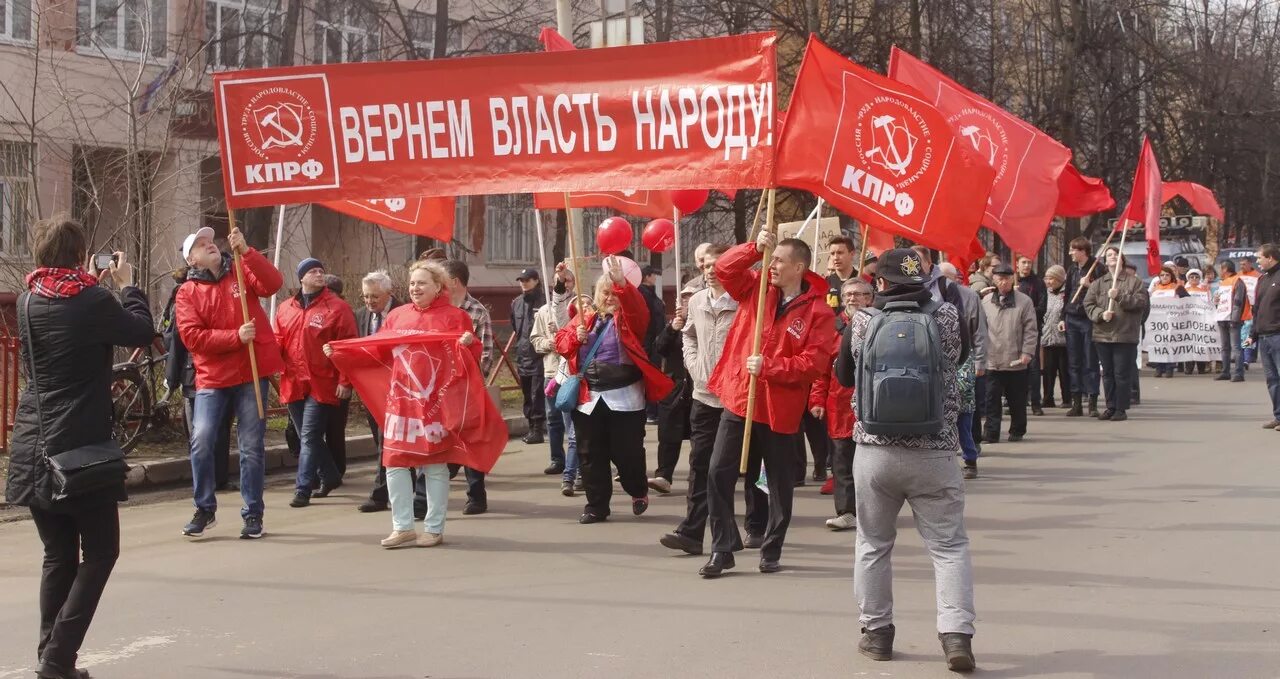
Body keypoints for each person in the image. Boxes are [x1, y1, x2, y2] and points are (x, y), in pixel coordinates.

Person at [6, 219, 155, 679]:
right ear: (80, 255)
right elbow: (140, 331)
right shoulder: (91, 299)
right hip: (79, 447)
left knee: (59, 555)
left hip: (33, 443)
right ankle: (56, 659)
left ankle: (51, 655)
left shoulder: (29, 298)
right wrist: (128, 286)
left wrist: (95, 283)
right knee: (102, 552)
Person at [848, 248, 975, 672]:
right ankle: (956, 636)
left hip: (875, 450)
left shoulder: (863, 320)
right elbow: (956, 361)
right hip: (935, 448)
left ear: (880, 283)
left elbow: (844, 374)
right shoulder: (946, 318)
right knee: (949, 546)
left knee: (873, 544)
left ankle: (877, 634)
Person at [699, 232, 835, 577]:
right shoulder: (757, 287)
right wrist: (754, 248)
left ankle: (771, 547)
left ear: (799, 267)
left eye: (778, 260)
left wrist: (772, 368)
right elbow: (726, 269)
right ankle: (722, 546)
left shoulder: (818, 310)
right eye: (770, 259)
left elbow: (815, 362)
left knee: (776, 483)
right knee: (717, 472)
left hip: (780, 409)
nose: (771, 265)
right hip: (741, 399)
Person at [341, 260, 479, 548]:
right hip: (401, 402)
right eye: (413, 283)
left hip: (435, 402)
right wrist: (343, 355)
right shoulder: (397, 316)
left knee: (435, 466)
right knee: (394, 463)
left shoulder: (455, 317)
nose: (415, 288)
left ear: (438, 286)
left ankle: (433, 527)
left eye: (422, 283)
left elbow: (471, 357)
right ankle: (402, 526)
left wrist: (469, 344)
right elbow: (376, 350)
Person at [176, 226, 284, 539]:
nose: (210, 245)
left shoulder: (239, 268)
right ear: (192, 260)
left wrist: (249, 252)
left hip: (250, 374)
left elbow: (272, 284)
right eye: (201, 244)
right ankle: (204, 507)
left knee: (251, 446)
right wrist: (235, 337)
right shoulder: (187, 293)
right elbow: (193, 337)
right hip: (212, 378)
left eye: (211, 241)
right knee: (203, 438)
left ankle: (253, 514)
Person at [660, 245, 763, 555]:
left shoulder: (747, 301)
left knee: (749, 466)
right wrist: (694, 364)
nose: (708, 270)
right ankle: (692, 531)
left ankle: (756, 526)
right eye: (704, 264)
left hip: (740, 397)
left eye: (715, 264)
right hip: (704, 395)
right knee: (702, 464)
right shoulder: (698, 302)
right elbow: (688, 336)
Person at [556, 258, 673, 524]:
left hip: (624, 397)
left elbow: (637, 308)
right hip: (588, 398)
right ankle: (597, 506)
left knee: (627, 451)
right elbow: (561, 343)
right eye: (605, 292)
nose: (609, 297)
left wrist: (621, 283)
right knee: (589, 453)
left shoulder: (631, 319)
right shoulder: (585, 318)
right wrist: (577, 336)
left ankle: (637, 489)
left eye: (614, 292)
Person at [275, 257, 357, 509]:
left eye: (322, 270)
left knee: (309, 435)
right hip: (293, 381)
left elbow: (347, 345)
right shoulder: (286, 308)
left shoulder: (337, 308)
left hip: (322, 382)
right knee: (305, 434)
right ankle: (330, 475)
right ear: (301, 278)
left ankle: (303, 488)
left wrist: (345, 381)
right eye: (313, 271)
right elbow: (278, 340)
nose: (319, 275)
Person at [352, 271, 421, 515]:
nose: (369, 302)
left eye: (374, 297)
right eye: (365, 297)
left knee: (387, 439)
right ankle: (404, 483)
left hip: (401, 387)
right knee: (380, 438)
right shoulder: (360, 315)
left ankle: (381, 494)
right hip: (373, 388)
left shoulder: (404, 313)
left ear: (388, 294)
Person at [163, 265, 234, 491]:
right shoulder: (184, 297)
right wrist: (173, 377)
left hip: (198, 375)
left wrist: (171, 379)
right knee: (213, 430)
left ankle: (209, 481)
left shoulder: (199, 296)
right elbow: (177, 338)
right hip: (197, 374)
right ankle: (213, 479)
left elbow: (175, 341)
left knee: (201, 431)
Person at [442, 259, 497, 514]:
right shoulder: (438, 309)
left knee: (471, 443)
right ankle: (429, 496)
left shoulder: (476, 311)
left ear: (454, 282)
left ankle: (476, 496)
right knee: (442, 442)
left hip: (466, 390)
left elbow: (485, 354)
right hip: (440, 390)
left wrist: (471, 383)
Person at [819, 277, 873, 530]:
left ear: (870, 298)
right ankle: (846, 511)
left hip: (871, 404)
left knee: (871, 463)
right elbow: (821, 370)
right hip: (839, 405)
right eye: (848, 294)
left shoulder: (878, 323)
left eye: (858, 294)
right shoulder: (832, 327)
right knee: (842, 462)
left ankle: (873, 510)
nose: (852, 298)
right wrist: (816, 399)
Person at [1084, 248, 1149, 421]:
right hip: (1102, 335)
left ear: (1122, 260)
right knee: (1107, 373)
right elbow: (1088, 304)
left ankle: (1121, 408)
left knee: (1121, 373)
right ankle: (1110, 406)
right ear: (1106, 261)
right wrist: (1100, 314)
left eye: (1116, 255)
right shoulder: (1098, 283)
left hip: (1124, 335)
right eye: (1109, 255)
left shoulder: (1134, 282)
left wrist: (1119, 296)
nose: (1112, 257)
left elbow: (1140, 303)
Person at [531, 263, 580, 493]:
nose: (567, 285)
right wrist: (550, 342)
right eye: (563, 281)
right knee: (554, 419)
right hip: (553, 371)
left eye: (570, 281)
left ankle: (575, 471)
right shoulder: (544, 311)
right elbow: (535, 340)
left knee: (574, 427)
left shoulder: (582, 305)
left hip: (574, 374)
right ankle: (557, 459)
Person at [981, 264, 1038, 443]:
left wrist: (1027, 352)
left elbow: (1031, 329)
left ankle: (1017, 430)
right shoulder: (986, 301)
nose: (1003, 282)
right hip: (992, 360)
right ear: (994, 280)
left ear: (1013, 279)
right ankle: (991, 433)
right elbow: (980, 329)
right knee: (991, 400)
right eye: (999, 278)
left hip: (1016, 360)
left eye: (1007, 278)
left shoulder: (1024, 301)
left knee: (1017, 400)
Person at [939, 262, 986, 479]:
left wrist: (979, 363)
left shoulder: (969, 297)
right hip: (944, 397)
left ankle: (971, 459)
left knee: (965, 430)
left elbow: (979, 333)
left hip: (963, 399)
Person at [649, 284, 693, 494]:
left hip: (699, 387)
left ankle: (700, 477)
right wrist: (671, 329)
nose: (685, 303)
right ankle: (664, 475)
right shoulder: (674, 325)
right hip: (674, 386)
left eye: (689, 299)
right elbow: (659, 348)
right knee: (668, 434)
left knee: (700, 436)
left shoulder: (705, 322)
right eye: (683, 299)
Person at [1063, 237, 1101, 417]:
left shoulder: (1097, 268)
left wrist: (1090, 285)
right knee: (1074, 361)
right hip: (1072, 318)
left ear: (1082, 251)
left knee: (1090, 361)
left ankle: (1092, 401)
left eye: (1073, 250)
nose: (1070, 253)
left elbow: (1103, 294)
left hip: (1088, 319)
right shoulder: (1072, 270)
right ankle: (1076, 401)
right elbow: (1068, 293)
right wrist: (1063, 316)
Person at [512, 268, 548, 445]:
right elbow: (515, 326)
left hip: (539, 356)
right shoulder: (516, 303)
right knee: (527, 393)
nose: (523, 283)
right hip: (522, 354)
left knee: (537, 393)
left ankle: (538, 429)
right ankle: (530, 425)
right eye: (521, 280)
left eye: (527, 280)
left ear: (536, 281)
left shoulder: (544, 302)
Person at [1248, 244, 1279, 429]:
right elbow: (1257, 309)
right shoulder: (1263, 279)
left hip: (1278, 335)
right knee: (1272, 379)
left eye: (1260, 258)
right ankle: (1278, 416)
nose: (1257, 261)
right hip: (1264, 336)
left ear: (1270, 258)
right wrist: (1253, 334)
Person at [1016, 256, 1047, 415]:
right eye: (1024, 262)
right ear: (1017, 264)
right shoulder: (1013, 282)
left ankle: (1036, 402)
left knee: (1033, 366)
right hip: (1013, 331)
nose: (1027, 265)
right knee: (1015, 366)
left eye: (1029, 262)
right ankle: (1017, 400)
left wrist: (1024, 309)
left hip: (1032, 328)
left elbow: (1042, 308)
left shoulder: (1038, 283)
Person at [1213, 260, 1250, 383]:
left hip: (1233, 319)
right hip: (1222, 318)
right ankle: (1225, 372)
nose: (1219, 271)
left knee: (1236, 347)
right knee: (1224, 347)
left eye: (1220, 268)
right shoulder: (1223, 283)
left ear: (1225, 269)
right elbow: (1221, 300)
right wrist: (1216, 301)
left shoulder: (1237, 281)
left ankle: (1239, 373)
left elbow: (1238, 302)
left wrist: (1235, 318)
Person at [1041, 265, 1070, 408]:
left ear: (1059, 279)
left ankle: (1067, 398)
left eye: (1051, 278)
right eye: (1046, 278)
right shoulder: (1046, 293)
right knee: (1048, 371)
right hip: (1048, 338)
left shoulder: (1067, 293)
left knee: (1064, 371)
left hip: (1063, 340)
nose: (1048, 281)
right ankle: (1048, 398)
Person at [1149, 266, 1184, 378]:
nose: (1164, 277)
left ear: (1171, 276)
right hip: (1157, 322)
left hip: (1171, 321)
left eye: (1167, 275)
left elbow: (1188, 300)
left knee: (1169, 344)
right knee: (1158, 344)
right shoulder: (1155, 288)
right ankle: (1159, 367)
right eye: (1162, 275)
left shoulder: (1176, 287)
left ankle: (1169, 367)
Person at [1182, 269, 1212, 374]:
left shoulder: (1205, 289)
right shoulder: (1184, 289)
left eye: (1196, 277)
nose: (1194, 279)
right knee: (1188, 344)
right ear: (1188, 278)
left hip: (1201, 319)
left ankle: (1201, 367)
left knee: (1200, 343)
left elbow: (1209, 303)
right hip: (1188, 320)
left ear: (1200, 278)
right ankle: (1188, 367)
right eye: (1191, 277)